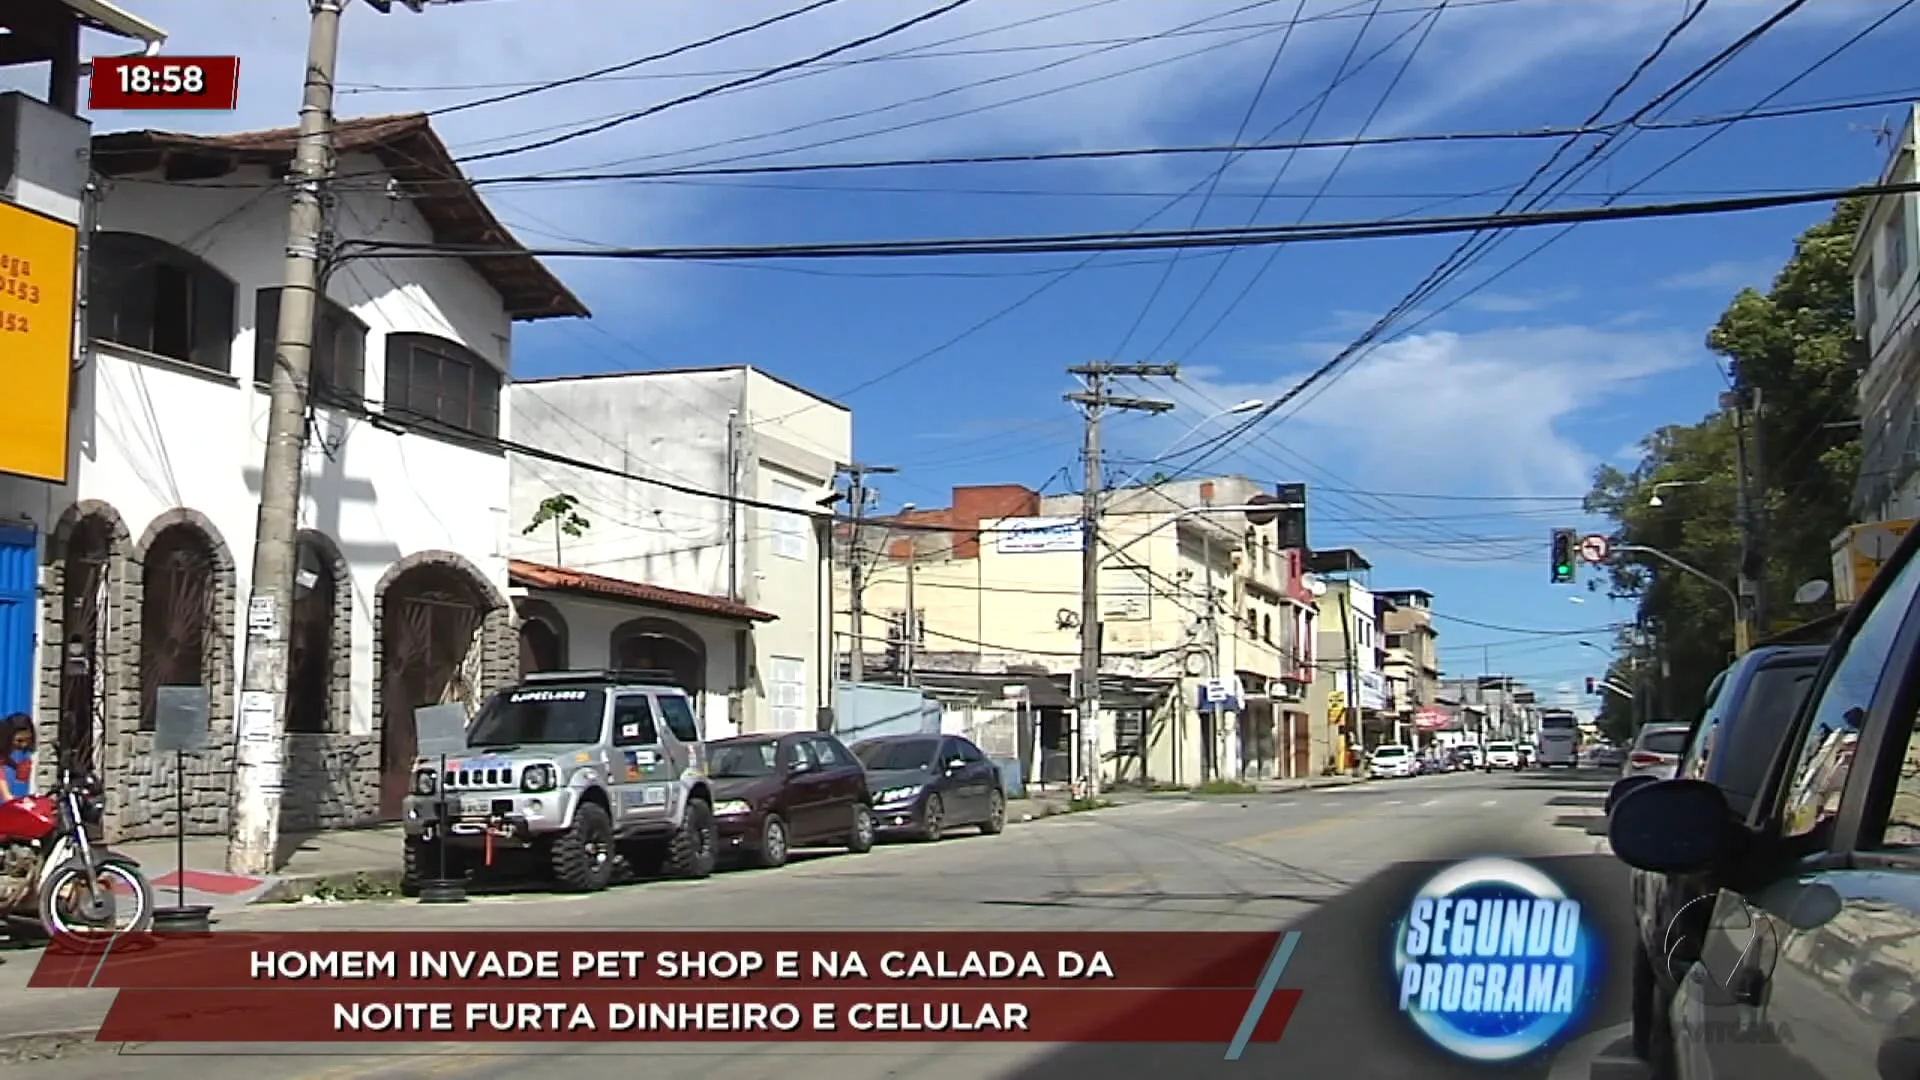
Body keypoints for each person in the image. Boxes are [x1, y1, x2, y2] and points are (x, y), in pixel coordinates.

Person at [1, 714, 33, 800]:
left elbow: (3, 758)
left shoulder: (6, 745)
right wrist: (9, 797)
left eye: (27, 739)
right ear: (8, 736)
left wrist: (15, 766)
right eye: (19, 740)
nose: (24, 744)